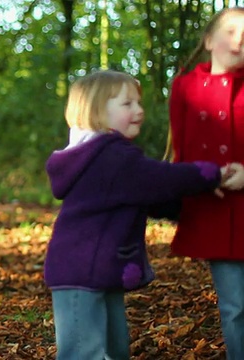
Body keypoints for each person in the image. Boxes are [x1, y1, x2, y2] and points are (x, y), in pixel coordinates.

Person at [44, 69, 241, 360]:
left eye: (138, 103)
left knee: (114, 349)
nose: (139, 111)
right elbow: (159, 179)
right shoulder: (110, 156)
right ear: (96, 111)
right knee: (83, 352)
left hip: (97, 269)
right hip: (80, 269)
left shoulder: (104, 156)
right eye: (127, 104)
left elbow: (150, 198)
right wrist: (212, 173)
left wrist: (193, 211)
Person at [167, 7, 244, 360]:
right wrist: (197, 180)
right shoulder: (184, 87)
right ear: (210, 40)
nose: (240, 39)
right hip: (216, 212)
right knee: (235, 306)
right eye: (231, 31)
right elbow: (182, 148)